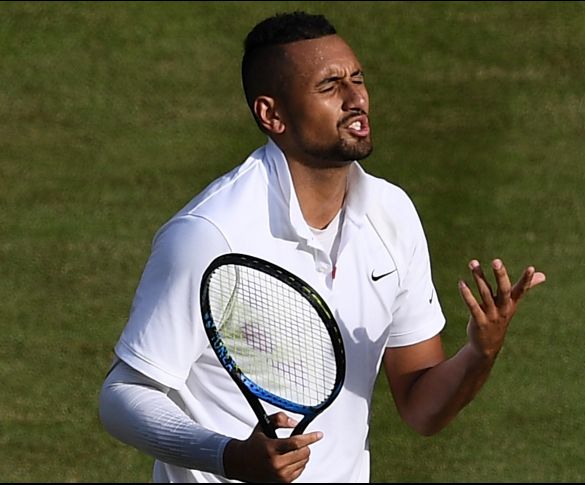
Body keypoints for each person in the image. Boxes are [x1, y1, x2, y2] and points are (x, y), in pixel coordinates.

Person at [98, 10, 545, 483]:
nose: (357, 99)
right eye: (330, 87)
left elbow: (421, 408)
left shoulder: (391, 215)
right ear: (272, 115)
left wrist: (480, 352)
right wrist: (228, 457)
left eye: (358, 79)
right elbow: (122, 396)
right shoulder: (210, 234)